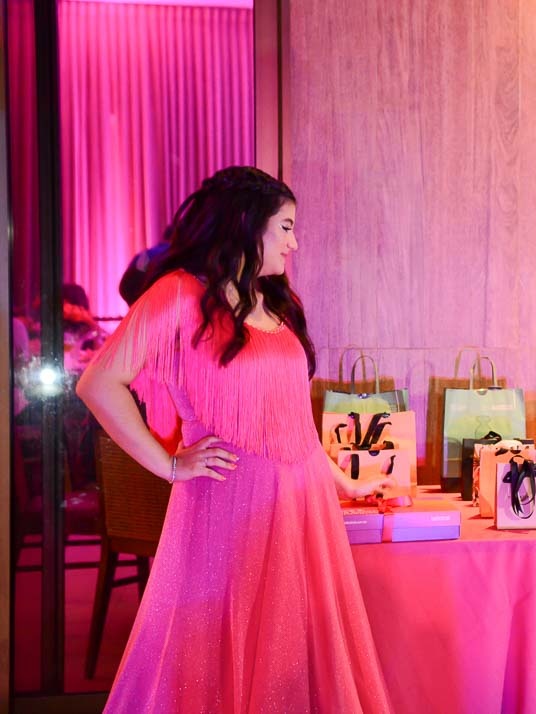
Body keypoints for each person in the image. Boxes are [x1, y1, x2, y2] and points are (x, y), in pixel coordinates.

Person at [76, 166, 393, 712]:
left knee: (295, 656)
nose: (295, 243)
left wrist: (343, 483)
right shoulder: (179, 294)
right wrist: (169, 465)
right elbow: (98, 383)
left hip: (302, 508)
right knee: (215, 653)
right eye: (286, 227)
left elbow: (293, 421)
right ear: (248, 223)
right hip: (227, 507)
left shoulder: (274, 301)